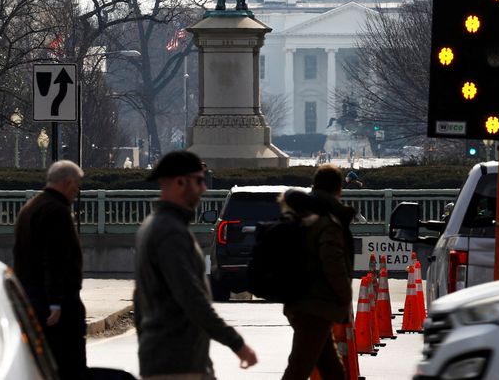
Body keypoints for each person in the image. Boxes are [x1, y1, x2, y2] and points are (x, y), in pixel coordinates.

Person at [134, 150, 257, 379]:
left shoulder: (152, 226)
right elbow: (192, 297)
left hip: (164, 357)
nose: (204, 188)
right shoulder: (171, 233)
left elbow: (139, 300)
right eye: (199, 180)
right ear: (180, 182)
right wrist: (236, 343)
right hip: (178, 361)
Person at [13, 160, 87, 380]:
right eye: (77, 186)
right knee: (67, 365)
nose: (77, 192)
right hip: (57, 307)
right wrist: (55, 301)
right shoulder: (57, 211)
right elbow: (56, 259)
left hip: (33, 299)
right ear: (67, 183)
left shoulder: (30, 208)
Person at [281, 164, 356, 380]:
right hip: (316, 305)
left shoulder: (304, 215)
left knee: (332, 370)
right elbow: (332, 264)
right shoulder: (327, 221)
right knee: (298, 369)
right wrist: (344, 295)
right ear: (338, 189)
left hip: (301, 301)